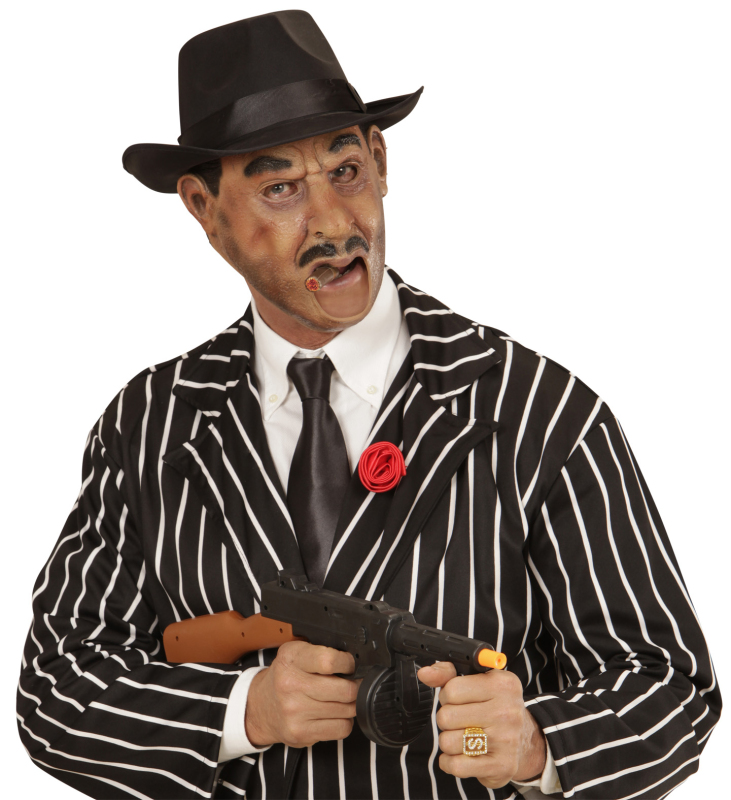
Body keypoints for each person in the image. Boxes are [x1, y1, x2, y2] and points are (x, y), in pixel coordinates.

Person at [16, 10, 720, 800]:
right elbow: (57, 696)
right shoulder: (147, 425)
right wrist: (243, 711)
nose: (333, 223)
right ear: (203, 208)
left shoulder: (538, 412)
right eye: (280, 188)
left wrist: (532, 745)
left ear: (380, 162)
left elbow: (670, 691)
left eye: (345, 170)